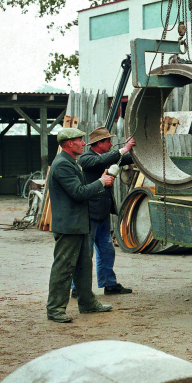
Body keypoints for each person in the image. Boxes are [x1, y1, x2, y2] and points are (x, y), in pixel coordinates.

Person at [46, 128, 114, 323]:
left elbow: (80, 190)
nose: (84, 144)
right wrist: (101, 182)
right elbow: (78, 192)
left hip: (78, 225)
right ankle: (55, 309)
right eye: (80, 140)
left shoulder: (70, 163)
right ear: (69, 144)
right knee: (64, 267)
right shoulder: (63, 166)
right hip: (69, 227)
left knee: (84, 266)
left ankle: (87, 303)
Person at [76, 126, 136, 296]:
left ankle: (109, 283)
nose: (110, 144)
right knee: (85, 253)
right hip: (90, 213)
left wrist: (136, 152)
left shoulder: (104, 157)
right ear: (99, 144)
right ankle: (77, 287)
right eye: (108, 141)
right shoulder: (87, 158)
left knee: (107, 250)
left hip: (101, 213)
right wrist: (123, 149)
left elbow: (122, 159)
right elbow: (101, 162)